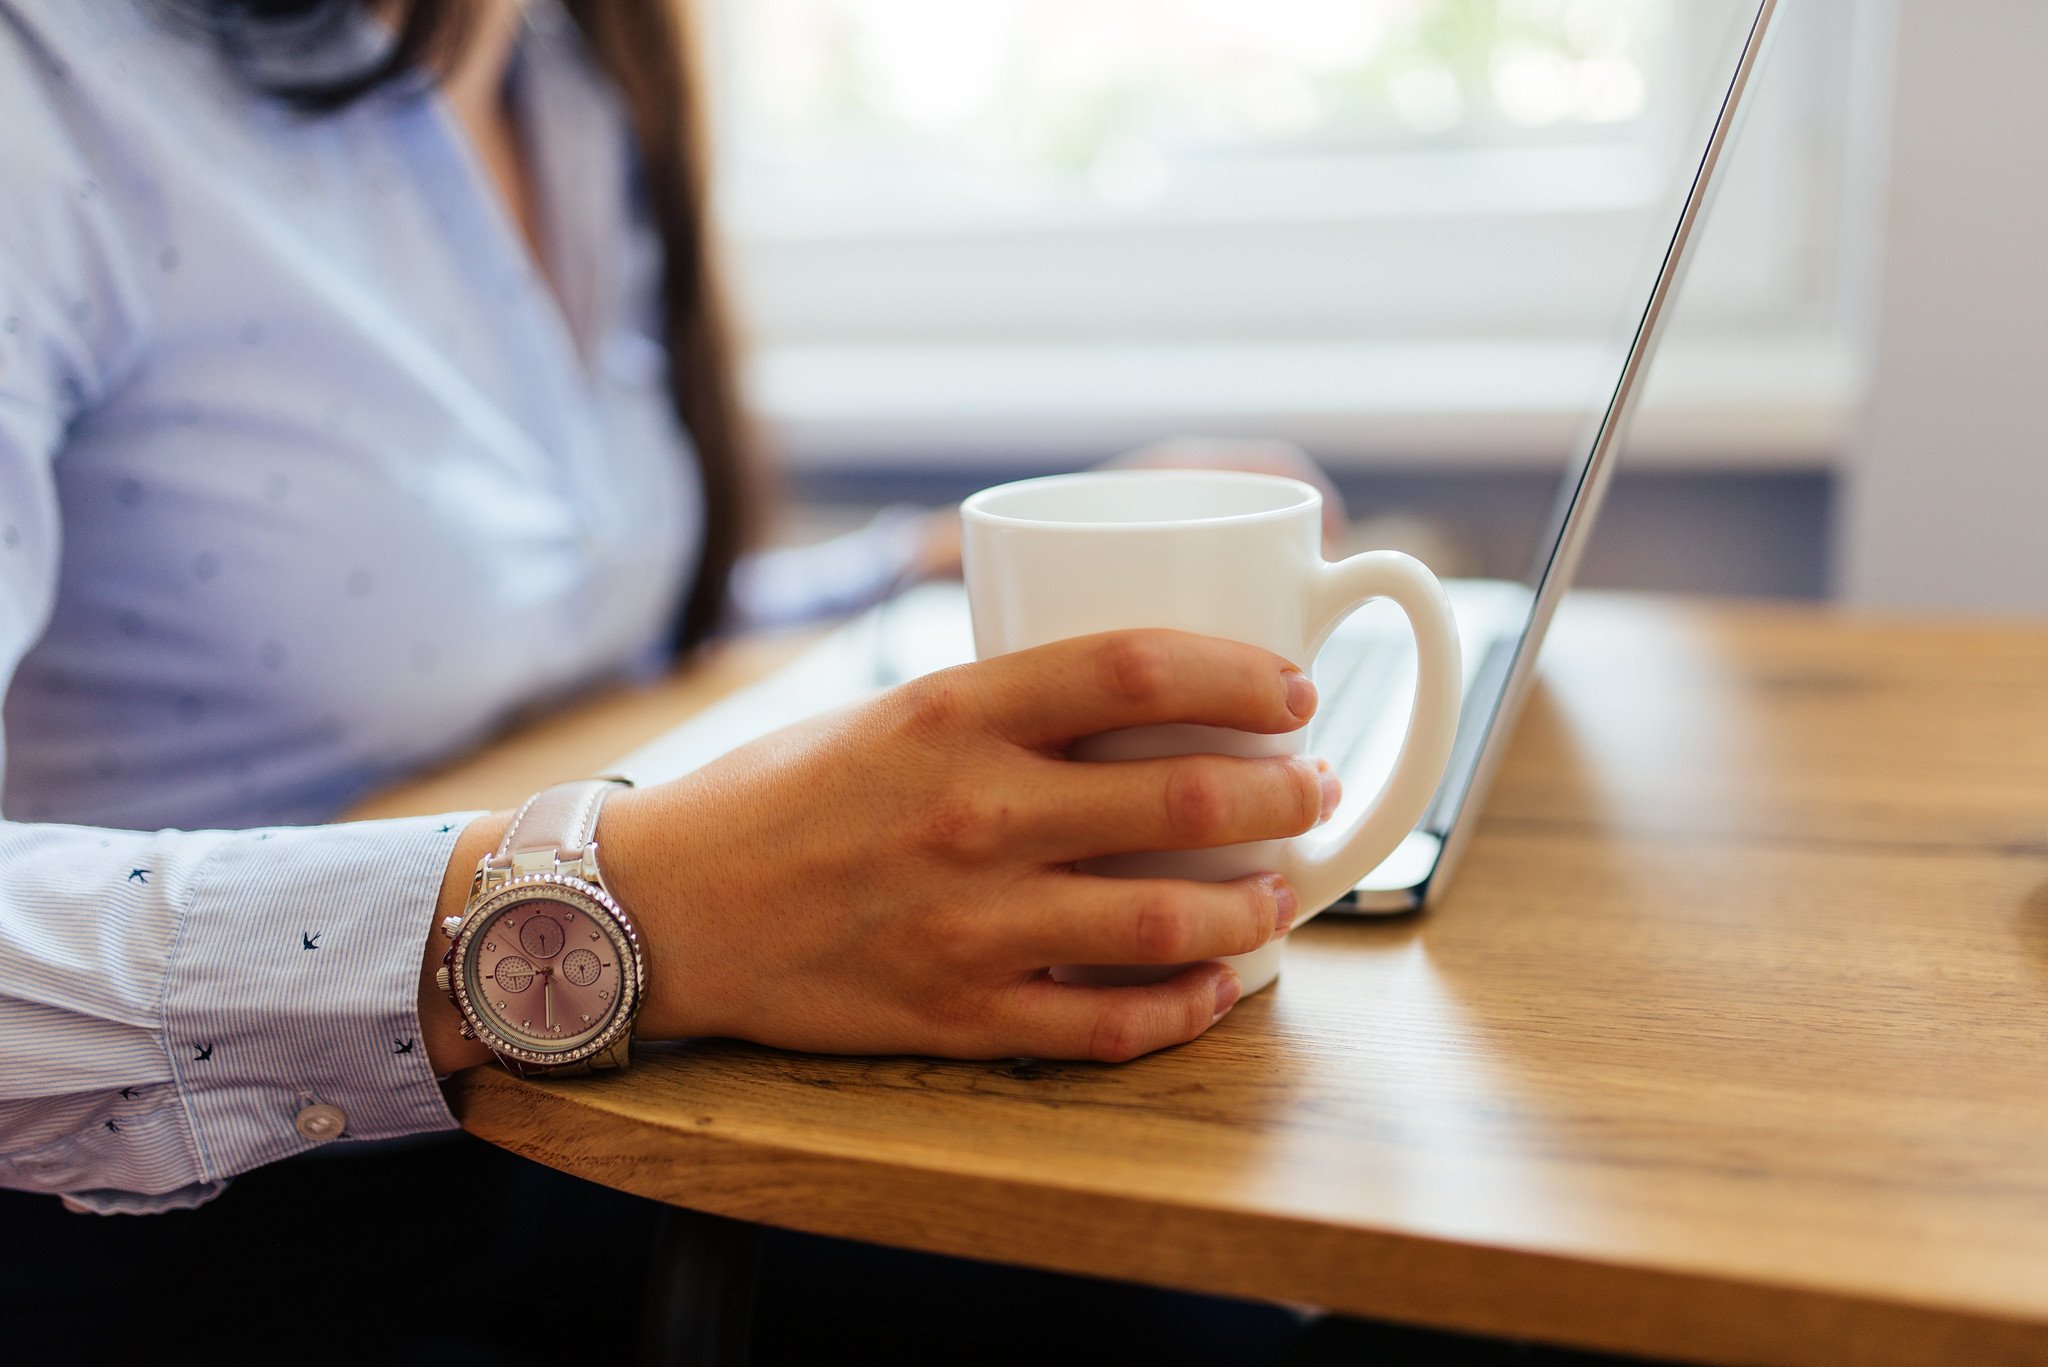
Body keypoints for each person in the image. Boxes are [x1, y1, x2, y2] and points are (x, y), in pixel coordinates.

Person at [0, 0, 1347, 1360]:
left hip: (541, 1137)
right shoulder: (49, 95)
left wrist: (920, 567)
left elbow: (532, 616)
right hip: (200, 1237)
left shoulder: (560, 68)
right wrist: (611, 914)